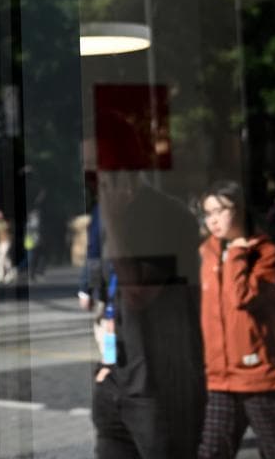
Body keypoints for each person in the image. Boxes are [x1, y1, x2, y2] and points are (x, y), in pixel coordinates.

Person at [89, 170, 204, 459]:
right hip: (117, 376)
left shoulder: (164, 216)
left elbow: (137, 292)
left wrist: (113, 224)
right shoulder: (114, 218)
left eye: (105, 182)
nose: (99, 192)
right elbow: (109, 292)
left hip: (156, 385)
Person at [198, 180, 275, 459]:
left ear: (240, 209)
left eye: (220, 210)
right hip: (220, 376)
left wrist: (237, 253)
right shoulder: (206, 253)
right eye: (208, 213)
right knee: (212, 451)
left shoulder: (264, 254)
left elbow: (242, 297)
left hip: (259, 375)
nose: (213, 219)